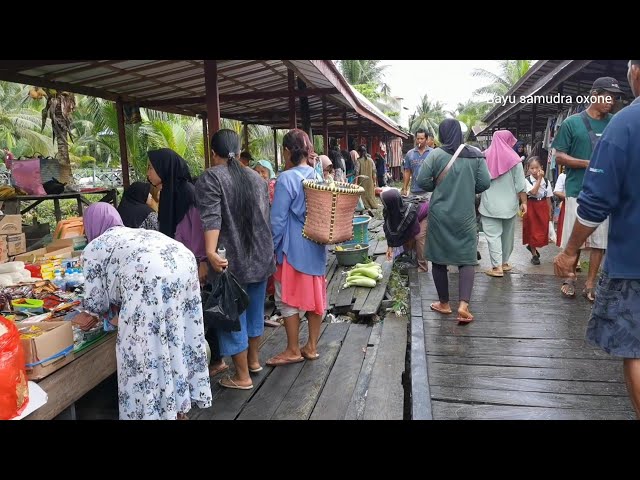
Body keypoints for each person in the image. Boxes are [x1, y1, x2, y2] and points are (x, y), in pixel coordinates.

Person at [554, 60, 640, 418]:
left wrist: (569, 250)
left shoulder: (624, 125)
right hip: (579, 194)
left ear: (635, 72)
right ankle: (585, 281)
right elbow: (559, 156)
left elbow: (598, 201)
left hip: (634, 261)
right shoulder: (575, 123)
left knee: (635, 349)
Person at [78, 203, 212, 420]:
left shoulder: (95, 247)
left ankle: (152, 413)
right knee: (176, 338)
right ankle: (176, 409)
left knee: (142, 351)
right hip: (183, 264)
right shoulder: (132, 233)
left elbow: (95, 303)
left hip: (153, 278)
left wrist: (99, 313)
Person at [196, 129, 275, 390]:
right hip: (261, 256)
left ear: (213, 152)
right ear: (239, 152)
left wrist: (209, 252)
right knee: (254, 310)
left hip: (231, 261)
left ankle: (242, 377)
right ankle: (253, 361)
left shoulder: (211, 177)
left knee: (233, 316)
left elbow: (211, 217)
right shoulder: (257, 178)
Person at [146, 148, 227, 376]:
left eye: (151, 167)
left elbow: (199, 228)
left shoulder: (187, 192)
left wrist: (201, 261)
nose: (148, 172)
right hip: (179, 262)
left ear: (164, 168)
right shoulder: (169, 192)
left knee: (202, 310)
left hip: (192, 261)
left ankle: (216, 360)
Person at [553, 76, 621, 301]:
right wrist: (587, 164)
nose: (610, 101)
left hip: (607, 191)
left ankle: (591, 283)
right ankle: (570, 278)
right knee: (577, 237)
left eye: (613, 98)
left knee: (600, 241)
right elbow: (559, 155)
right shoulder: (572, 122)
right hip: (576, 189)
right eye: (607, 96)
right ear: (594, 95)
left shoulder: (616, 122)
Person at [416, 118, 491, 323]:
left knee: (439, 259)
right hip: (465, 215)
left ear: (441, 134)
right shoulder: (476, 155)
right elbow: (484, 182)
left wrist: (438, 187)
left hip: (440, 214)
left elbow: (422, 181)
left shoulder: (436, 155)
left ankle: (444, 303)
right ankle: (464, 306)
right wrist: (467, 189)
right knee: (466, 259)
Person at [267, 129, 327, 366]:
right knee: (315, 295)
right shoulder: (317, 176)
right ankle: (311, 346)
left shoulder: (286, 178)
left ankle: (293, 349)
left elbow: (278, 220)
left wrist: (271, 248)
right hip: (316, 247)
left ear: (287, 151)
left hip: (292, 249)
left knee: (287, 298)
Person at [479, 130, 528, 277]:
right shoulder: (515, 159)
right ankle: (504, 262)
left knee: (493, 236)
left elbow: (479, 180)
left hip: (489, 205)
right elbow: (521, 185)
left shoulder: (483, 156)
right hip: (509, 205)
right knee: (507, 236)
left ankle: (497, 267)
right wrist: (524, 202)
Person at [382, 189, 429, 265]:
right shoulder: (389, 209)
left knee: (418, 237)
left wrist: (406, 241)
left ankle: (422, 265)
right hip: (414, 217)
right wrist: (390, 246)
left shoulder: (409, 211)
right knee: (405, 236)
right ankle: (410, 254)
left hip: (425, 214)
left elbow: (415, 230)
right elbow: (388, 227)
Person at [523, 156, 553, 264]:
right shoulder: (527, 181)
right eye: (532, 168)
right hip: (532, 206)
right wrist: (539, 179)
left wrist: (550, 212)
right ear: (528, 169)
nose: (535, 171)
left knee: (541, 232)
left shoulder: (547, 181)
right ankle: (534, 255)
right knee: (532, 230)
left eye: (537, 168)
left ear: (541, 167)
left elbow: (548, 197)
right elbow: (534, 192)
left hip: (542, 205)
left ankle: (532, 246)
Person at [402, 128, 433, 197]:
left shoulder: (432, 153)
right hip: (414, 191)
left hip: (428, 192)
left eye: (422, 139)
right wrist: (404, 188)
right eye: (418, 138)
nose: (419, 141)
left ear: (426, 139)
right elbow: (407, 171)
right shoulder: (410, 154)